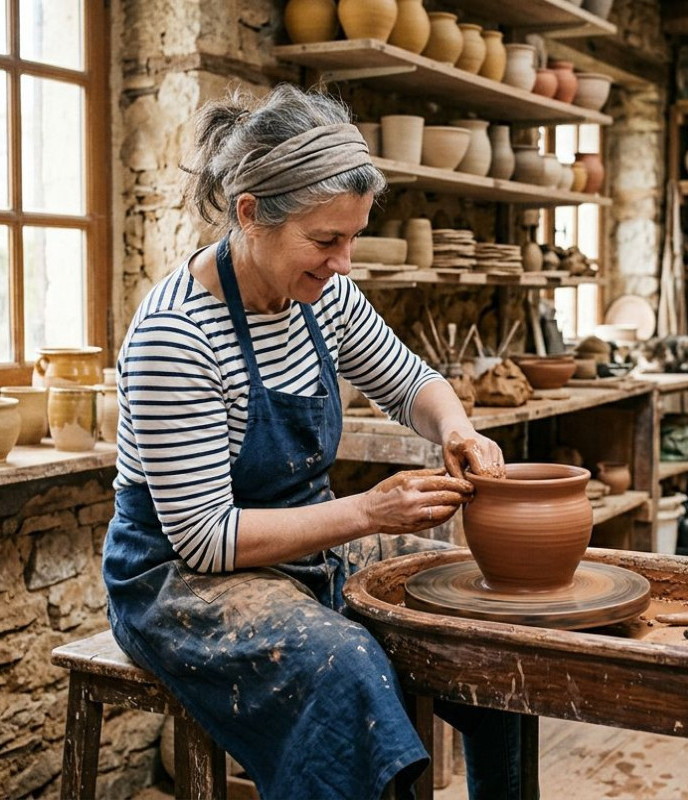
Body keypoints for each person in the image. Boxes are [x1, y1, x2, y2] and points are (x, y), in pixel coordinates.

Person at [101, 83, 521, 799]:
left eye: (352, 236)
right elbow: (205, 537)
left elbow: (411, 382)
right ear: (249, 214)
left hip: (302, 549)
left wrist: (457, 428)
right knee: (343, 666)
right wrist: (367, 512)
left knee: (483, 614)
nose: (345, 261)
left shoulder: (321, 296)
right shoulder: (177, 334)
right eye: (326, 240)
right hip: (178, 577)